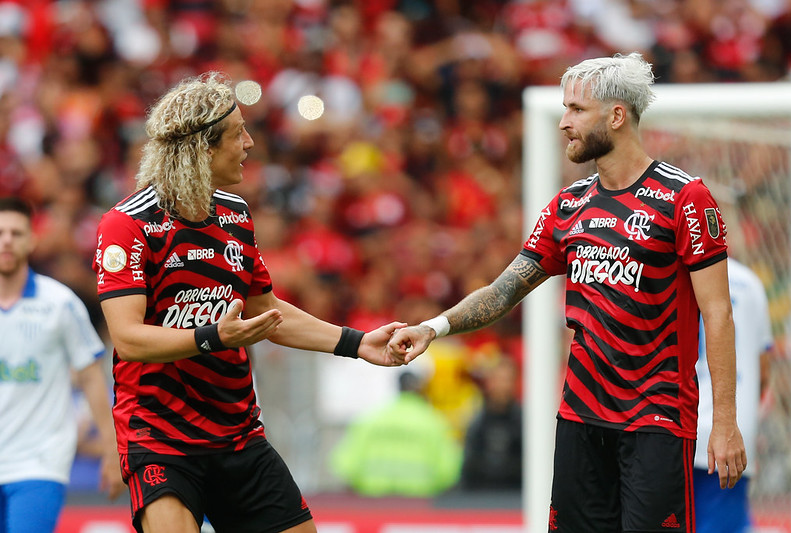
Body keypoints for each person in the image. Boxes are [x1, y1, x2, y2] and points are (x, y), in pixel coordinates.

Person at [388, 52, 746, 532]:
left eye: (576, 109)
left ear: (616, 116)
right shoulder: (568, 205)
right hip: (580, 416)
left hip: (656, 422)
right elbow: (503, 290)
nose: (563, 122)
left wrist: (725, 421)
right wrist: (435, 326)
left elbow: (718, 314)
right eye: (564, 109)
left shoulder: (684, 199)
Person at [92, 71, 405, 533]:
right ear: (203, 148)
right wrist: (213, 336)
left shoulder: (236, 214)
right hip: (160, 436)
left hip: (238, 434)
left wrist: (357, 344)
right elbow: (129, 338)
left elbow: (266, 312)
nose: (251, 143)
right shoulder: (127, 226)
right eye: (239, 133)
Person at [0, 197, 124, 533]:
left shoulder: (59, 304)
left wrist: (113, 453)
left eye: (16, 232)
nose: (7, 240)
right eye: (0, 233)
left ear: (32, 240)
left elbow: (92, 379)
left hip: (38, 464)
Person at [694, 257, 773, 533]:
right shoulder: (751, 283)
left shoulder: (672, 273)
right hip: (731, 435)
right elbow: (763, 372)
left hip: (673, 428)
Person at [329, 370, 462, 497]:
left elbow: (346, 466)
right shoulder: (434, 422)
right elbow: (449, 471)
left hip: (371, 504)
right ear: (420, 388)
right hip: (419, 505)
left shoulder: (370, 419)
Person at [458, 356, 523, 492]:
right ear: (489, 383)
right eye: (499, 380)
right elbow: (468, 468)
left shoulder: (525, 423)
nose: (503, 386)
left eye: (507, 380)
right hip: (481, 498)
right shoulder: (476, 422)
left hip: (516, 497)